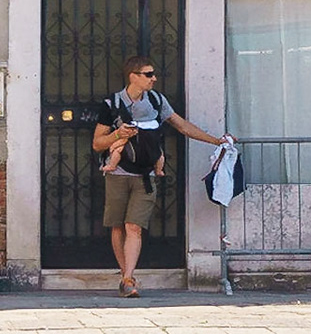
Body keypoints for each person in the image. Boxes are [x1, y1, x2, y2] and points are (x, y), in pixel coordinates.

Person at [92, 54, 230, 298]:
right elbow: (97, 143)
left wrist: (215, 140)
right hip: (118, 174)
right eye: (148, 74)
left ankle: (128, 278)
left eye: (153, 74)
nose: (154, 78)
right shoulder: (112, 104)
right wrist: (117, 135)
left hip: (145, 176)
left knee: (133, 226)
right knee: (117, 226)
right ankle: (127, 277)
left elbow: (181, 125)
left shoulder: (156, 101)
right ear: (133, 76)